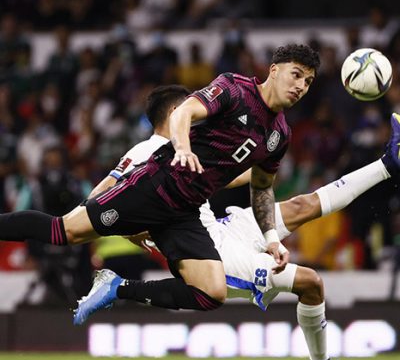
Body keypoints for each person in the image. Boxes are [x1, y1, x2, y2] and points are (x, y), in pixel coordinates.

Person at [76, 87, 400, 360]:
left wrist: (267, 161)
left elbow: (236, 176)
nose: (202, 112)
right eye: (193, 107)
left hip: (223, 227)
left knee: (303, 206)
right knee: (311, 283)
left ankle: (387, 165)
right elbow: (95, 201)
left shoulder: (188, 148)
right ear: (176, 112)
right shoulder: (147, 151)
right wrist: (129, 229)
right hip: (213, 253)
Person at [0, 44, 320, 314]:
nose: (301, 86)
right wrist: (182, 147)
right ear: (274, 70)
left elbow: (261, 187)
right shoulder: (234, 88)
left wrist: (272, 239)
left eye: (307, 82)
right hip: (156, 185)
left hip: (185, 211)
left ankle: (117, 287)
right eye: (296, 75)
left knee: (211, 292)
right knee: (64, 231)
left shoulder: (280, 135)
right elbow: (183, 112)